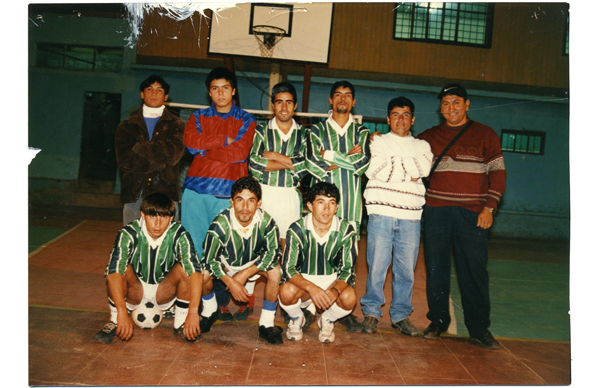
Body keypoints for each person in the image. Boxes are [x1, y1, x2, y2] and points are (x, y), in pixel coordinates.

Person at [416, 84, 507, 349]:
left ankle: (479, 329)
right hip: (436, 212)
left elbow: (498, 173)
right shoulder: (428, 136)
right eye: (445, 103)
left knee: (474, 272)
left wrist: (489, 208)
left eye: (456, 102)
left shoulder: (485, 134)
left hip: (473, 214)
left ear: (467, 104)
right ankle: (438, 321)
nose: (451, 108)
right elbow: (403, 147)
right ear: (440, 107)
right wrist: (378, 136)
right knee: (436, 270)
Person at [181, 67, 257, 322]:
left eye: (225, 87)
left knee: (224, 254)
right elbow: (191, 144)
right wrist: (224, 139)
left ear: (233, 90)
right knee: (195, 253)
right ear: (209, 92)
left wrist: (207, 148)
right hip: (195, 193)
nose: (220, 93)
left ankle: (221, 303)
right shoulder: (198, 116)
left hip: (228, 195)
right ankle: (205, 304)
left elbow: (239, 154)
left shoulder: (247, 119)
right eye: (214, 88)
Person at [360, 97, 433, 336]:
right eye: (395, 114)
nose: (400, 119)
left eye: (405, 115)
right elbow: (374, 170)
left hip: (411, 215)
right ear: (387, 118)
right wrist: (408, 169)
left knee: (405, 271)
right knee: (377, 266)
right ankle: (371, 312)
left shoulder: (422, 146)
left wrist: (393, 164)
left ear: (412, 119)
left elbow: (422, 170)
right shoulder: (378, 141)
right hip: (381, 212)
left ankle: (400, 316)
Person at [94, 192, 203, 344]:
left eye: (163, 217)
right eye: (152, 216)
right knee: (119, 268)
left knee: (186, 268)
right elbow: (113, 274)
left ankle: (180, 323)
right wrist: (122, 312)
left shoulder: (179, 234)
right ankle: (114, 321)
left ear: (171, 218)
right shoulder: (128, 233)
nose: (158, 224)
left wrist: (193, 312)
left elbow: (196, 273)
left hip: (163, 291)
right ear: (142, 215)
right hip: (136, 290)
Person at [304, 80, 370, 331]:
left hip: (351, 207)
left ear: (353, 102)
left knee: (348, 260)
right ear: (330, 101)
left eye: (348, 95)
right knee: (315, 254)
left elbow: (362, 165)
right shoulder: (315, 131)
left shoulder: (362, 133)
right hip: (322, 208)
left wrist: (329, 155)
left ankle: (344, 309)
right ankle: (311, 307)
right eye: (338, 95)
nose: (343, 98)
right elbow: (311, 163)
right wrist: (347, 157)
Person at [198, 177, 284, 344]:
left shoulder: (267, 223)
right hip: (226, 265)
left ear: (258, 203)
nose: (245, 207)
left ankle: (266, 324)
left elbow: (273, 253)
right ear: (231, 202)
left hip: (253, 265)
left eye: (251, 200)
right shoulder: (220, 223)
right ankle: (209, 310)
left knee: (275, 270)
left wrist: (244, 274)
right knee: (203, 274)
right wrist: (231, 281)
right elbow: (209, 259)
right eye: (240, 200)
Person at [279, 182, 358, 343]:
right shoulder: (296, 229)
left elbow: (348, 270)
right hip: (304, 282)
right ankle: (296, 318)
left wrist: (335, 291)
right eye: (321, 202)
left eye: (332, 203)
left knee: (349, 297)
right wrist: (311, 288)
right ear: (310, 205)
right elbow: (288, 269)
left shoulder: (346, 230)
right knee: (286, 292)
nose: (327, 209)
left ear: (337, 207)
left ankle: (327, 319)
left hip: (331, 281)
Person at [115, 75, 185, 226]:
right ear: (142, 94)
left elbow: (173, 155)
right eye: (149, 89)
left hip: (165, 192)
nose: (154, 93)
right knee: (133, 240)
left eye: (159, 90)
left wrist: (139, 147)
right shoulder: (126, 125)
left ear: (165, 96)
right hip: (134, 193)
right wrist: (160, 163)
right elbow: (124, 160)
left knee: (166, 242)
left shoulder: (177, 124)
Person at [249, 81, 308, 249]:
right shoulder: (261, 131)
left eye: (288, 102)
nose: (284, 107)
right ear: (273, 105)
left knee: (288, 247)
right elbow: (254, 165)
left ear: (295, 106)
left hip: (290, 195)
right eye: (279, 102)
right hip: (264, 193)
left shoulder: (304, 134)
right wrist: (291, 162)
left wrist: (273, 156)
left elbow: (304, 167)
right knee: (261, 247)